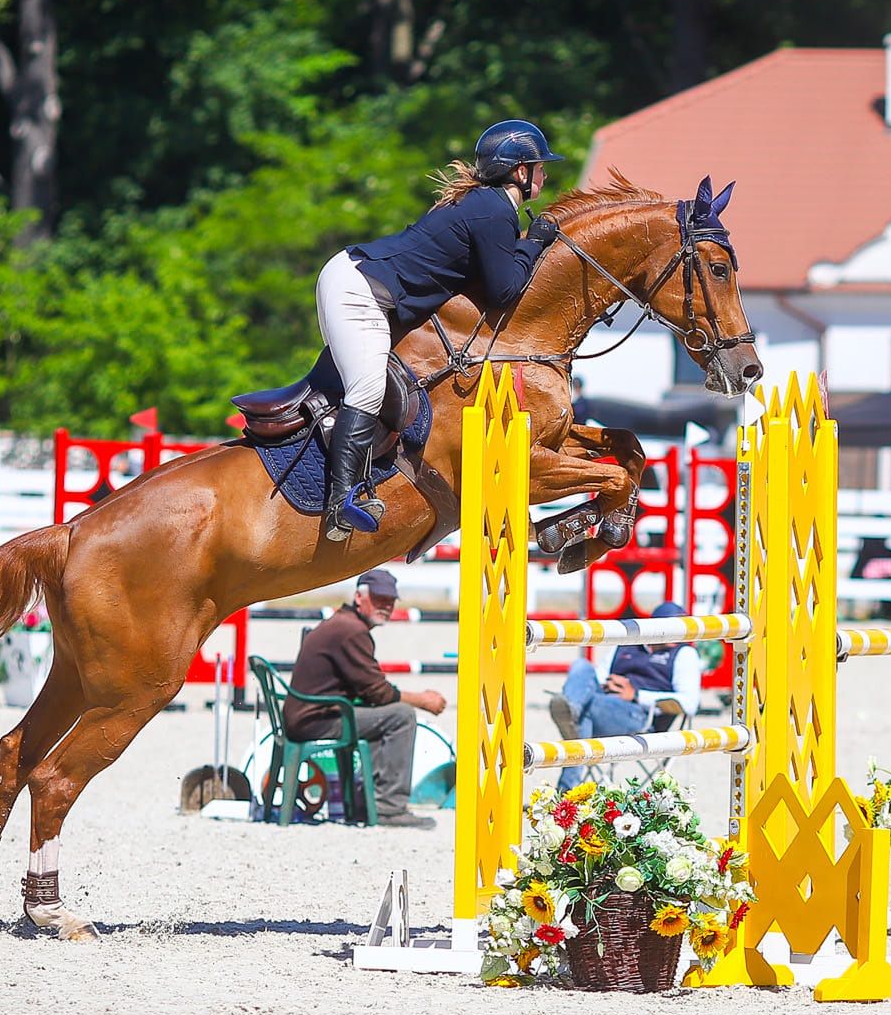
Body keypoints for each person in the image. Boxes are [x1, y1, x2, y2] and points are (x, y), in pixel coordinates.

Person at [312, 119, 565, 541]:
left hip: (359, 281)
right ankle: (340, 504)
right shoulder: (495, 210)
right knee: (367, 390)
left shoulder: (487, 205)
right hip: (359, 290)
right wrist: (534, 242)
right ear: (520, 171)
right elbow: (504, 291)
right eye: (541, 167)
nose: (545, 175)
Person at [283, 569, 445, 828]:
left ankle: (367, 802)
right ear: (359, 597)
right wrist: (423, 700)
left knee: (385, 714)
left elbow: (371, 690)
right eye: (380, 599)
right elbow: (378, 692)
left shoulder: (343, 623)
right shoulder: (352, 631)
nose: (386, 606)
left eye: (391, 601)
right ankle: (388, 808)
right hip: (316, 720)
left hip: (307, 715)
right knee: (401, 716)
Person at [548, 601, 703, 793]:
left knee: (583, 711)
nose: (680, 634)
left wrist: (635, 694)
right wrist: (608, 684)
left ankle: (566, 790)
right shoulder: (627, 644)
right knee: (582, 666)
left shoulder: (683, 653)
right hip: (603, 702)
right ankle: (572, 708)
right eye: (674, 628)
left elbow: (689, 703)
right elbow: (598, 676)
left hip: (640, 716)